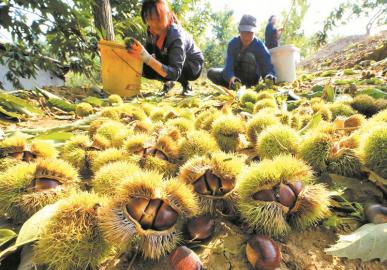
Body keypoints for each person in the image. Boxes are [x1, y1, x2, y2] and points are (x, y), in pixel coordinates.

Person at [127, 0, 204, 96]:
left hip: (193, 66)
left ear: (167, 17)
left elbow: (175, 72)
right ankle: (168, 83)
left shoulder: (176, 36)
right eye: (149, 19)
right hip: (170, 60)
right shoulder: (151, 31)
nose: (152, 26)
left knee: (163, 66)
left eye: (157, 20)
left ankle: (186, 85)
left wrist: (147, 58)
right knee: (145, 68)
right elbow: (148, 51)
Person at [207, 15, 276, 90]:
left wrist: (270, 76)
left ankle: (248, 87)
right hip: (236, 77)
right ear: (239, 31)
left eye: (249, 32)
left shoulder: (260, 46)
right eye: (243, 32)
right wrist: (231, 77)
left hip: (251, 79)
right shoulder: (233, 43)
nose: (246, 36)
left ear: (254, 32)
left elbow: (268, 66)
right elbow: (228, 66)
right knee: (211, 73)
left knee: (249, 57)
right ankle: (234, 85)